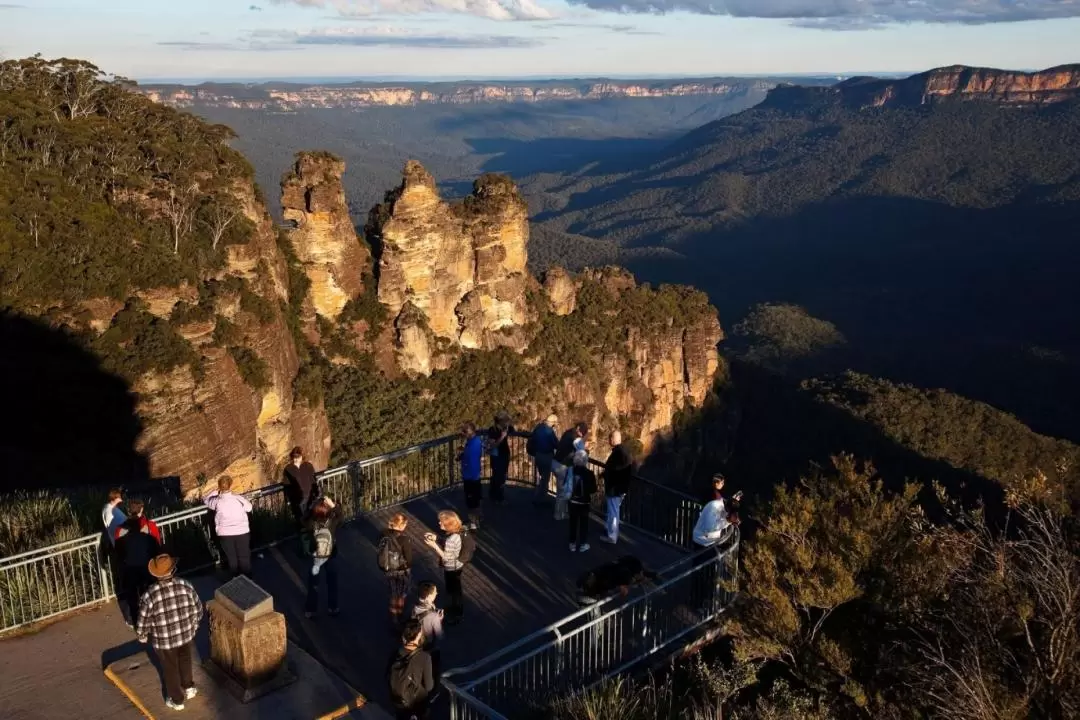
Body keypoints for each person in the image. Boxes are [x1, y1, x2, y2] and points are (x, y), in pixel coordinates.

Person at [136, 553, 204, 711]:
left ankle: (177, 700)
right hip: (186, 634)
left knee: (170, 669)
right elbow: (198, 609)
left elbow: (143, 620)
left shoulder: (149, 595)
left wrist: (142, 635)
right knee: (185, 660)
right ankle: (188, 687)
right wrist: (193, 626)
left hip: (164, 641)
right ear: (173, 570)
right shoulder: (185, 585)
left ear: (156, 574)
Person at [690, 484, 740, 611]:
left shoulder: (723, 507)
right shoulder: (714, 507)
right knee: (700, 573)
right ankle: (695, 602)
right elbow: (710, 529)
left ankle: (706, 598)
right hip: (701, 542)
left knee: (710, 573)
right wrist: (727, 522)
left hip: (710, 543)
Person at [423, 510, 471, 625]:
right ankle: (457, 611)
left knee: (453, 590)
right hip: (458, 565)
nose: (439, 523)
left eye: (441, 522)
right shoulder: (457, 532)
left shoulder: (451, 539)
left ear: (448, 524)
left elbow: (447, 557)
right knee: (456, 589)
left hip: (451, 568)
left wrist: (434, 546)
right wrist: (436, 538)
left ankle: (455, 613)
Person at [115, 514, 161, 628]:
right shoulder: (148, 538)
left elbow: (119, 556)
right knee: (149, 595)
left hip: (130, 571)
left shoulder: (123, 540)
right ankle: (152, 618)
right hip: (146, 570)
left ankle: (136, 621)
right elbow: (156, 551)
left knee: (132, 598)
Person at [303, 495, 344, 618]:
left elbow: (303, 519)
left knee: (313, 584)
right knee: (332, 582)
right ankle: (333, 607)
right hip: (330, 554)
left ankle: (311, 610)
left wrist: (310, 508)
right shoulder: (332, 522)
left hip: (316, 556)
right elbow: (341, 517)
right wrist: (333, 506)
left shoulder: (311, 523)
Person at [204, 475, 253, 578]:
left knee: (232, 559)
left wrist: (215, 491)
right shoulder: (238, 498)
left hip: (225, 534)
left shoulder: (216, 501)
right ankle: (249, 581)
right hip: (242, 532)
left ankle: (235, 582)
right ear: (230, 485)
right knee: (244, 557)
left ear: (219, 486)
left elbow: (206, 500)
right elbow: (249, 508)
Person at [387, 619, 435, 720]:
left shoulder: (396, 653)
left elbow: (387, 675)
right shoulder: (424, 657)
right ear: (418, 636)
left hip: (398, 701)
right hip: (416, 702)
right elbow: (429, 686)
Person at [576, 555, 659, 605]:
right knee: (591, 603)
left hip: (598, 580)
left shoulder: (624, 566)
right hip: (596, 587)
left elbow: (642, 574)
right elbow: (624, 591)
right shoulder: (625, 575)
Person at [379, 513, 414, 631]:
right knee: (401, 594)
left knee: (393, 594)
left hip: (388, 570)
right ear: (402, 525)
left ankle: (394, 619)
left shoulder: (383, 534)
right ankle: (400, 613)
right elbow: (409, 559)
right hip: (401, 571)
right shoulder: (405, 539)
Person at [601, 431, 633, 545]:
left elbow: (614, 471)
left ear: (613, 440)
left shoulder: (617, 453)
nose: (609, 441)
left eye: (610, 438)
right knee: (614, 510)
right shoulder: (624, 451)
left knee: (613, 511)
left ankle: (612, 536)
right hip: (621, 487)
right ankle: (611, 531)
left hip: (615, 488)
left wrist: (605, 475)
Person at [552, 422, 588, 521]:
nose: (582, 435)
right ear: (578, 429)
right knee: (562, 492)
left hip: (556, 462)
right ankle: (558, 514)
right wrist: (584, 442)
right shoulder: (574, 439)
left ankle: (563, 513)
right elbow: (581, 451)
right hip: (562, 466)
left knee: (562, 491)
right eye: (582, 432)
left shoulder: (567, 433)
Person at [411, 581, 444, 680]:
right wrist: (439, 619)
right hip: (428, 641)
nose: (437, 594)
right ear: (428, 596)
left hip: (417, 639)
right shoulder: (433, 616)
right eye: (435, 593)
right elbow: (439, 634)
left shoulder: (416, 606)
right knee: (432, 659)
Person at [566, 449, 597, 553]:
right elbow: (593, 489)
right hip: (584, 502)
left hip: (572, 501)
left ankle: (572, 543)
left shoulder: (571, 471)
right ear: (585, 460)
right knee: (584, 523)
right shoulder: (589, 473)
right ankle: (583, 544)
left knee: (573, 523)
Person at [527, 413, 559, 504]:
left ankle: (539, 496)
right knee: (545, 479)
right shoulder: (549, 432)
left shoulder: (539, 427)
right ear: (553, 423)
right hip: (546, 456)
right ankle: (539, 499)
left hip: (538, 455)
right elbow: (556, 444)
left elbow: (533, 438)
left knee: (542, 477)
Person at [457, 422, 484, 530]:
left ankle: (473, 523)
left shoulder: (471, 445)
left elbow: (471, 461)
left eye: (464, 433)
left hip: (470, 477)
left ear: (467, 433)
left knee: (472, 501)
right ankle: (479, 517)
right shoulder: (475, 441)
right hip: (475, 475)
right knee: (477, 498)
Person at [485, 411, 514, 505]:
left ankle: (494, 495)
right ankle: (498, 497)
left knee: (501, 475)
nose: (507, 423)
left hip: (504, 454)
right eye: (505, 421)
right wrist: (502, 437)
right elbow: (492, 445)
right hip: (497, 456)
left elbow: (513, 430)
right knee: (498, 477)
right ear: (500, 421)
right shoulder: (492, 430)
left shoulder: (506, 428)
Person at [283, 446, 317, 524]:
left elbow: (313, 480)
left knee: (311, 519)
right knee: (300, 520)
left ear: (302, 456)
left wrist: (316, 492)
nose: (296, 459)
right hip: (297, 499)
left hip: (310, 497)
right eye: (294, 457)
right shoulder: (288, 469)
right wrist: (288, 499)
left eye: (298, 457)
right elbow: (286, 485)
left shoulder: (308, 466)